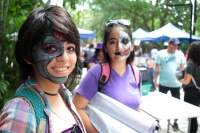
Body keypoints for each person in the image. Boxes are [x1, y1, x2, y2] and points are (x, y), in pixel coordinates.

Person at [0, 6, 86, 133]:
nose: (64, 57)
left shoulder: (64, 94)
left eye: (70, 48)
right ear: (28, 55)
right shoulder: (21, 111)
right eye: (50, 47)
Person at [73, 19, 141, 133]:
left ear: (132, 46)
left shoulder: (136, 73)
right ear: (105, 47)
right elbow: (77, 108)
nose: (119, 47)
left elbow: (136, 109)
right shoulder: (97, 72)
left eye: (124, 41)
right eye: (113, 42)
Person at [154, 37, 186, 131]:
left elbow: (182, 70)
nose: (175, 47)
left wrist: (182, 82)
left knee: (177, 105)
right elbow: (157, 69)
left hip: (176, 84)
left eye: (177, 45)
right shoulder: (161, 53)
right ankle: (157, 122)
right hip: (163, 83)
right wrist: (156, 81)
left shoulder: (180, 54)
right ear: (169, 43)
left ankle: (175, 122)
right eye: (173, 44)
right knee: (160, 103)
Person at [178, 41, 200, 133]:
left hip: (191, 93)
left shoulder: (191, 64)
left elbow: (186, 81)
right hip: (198, 92)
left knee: (192, 117)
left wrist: (179, 80)